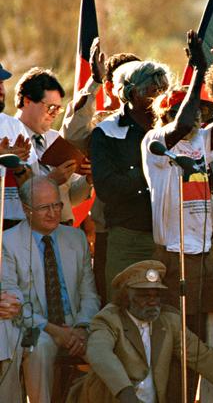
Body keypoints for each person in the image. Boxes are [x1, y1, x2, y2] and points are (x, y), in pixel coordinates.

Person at [142, 29, 213, 401]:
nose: (195, 118)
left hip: (204, 255)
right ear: (167, 114)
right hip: (172, 257)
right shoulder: (156, 142)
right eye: (184, 112)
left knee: (204, 342)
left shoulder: (203, 141)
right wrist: (197, 69)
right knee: (173, 341)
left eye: (199, 112)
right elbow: (181, 121)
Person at [68, 260, 213, 403]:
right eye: (143, 295)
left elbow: (206, 359)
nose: (152, 301)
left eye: (156, 294)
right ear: (125, 297)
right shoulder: (108, 319)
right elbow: (99, 354)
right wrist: (126, 394)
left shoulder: (168, 320)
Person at [2, 176, 100, 402]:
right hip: (34, 324)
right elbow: (14, 305)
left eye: (57, 205)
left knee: (106, 344)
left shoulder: (76, 237)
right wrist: (55, 331)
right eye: (44, 207)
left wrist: (82, 327)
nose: (53, 213)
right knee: (39, 347)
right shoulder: (8, 242)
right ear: (27, 209)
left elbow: (89, 294)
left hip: (75, 323)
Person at [61, 37, 141, 304]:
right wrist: (93, 82)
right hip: (110, 229)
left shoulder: (156, 120)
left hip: (151, 228)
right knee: (113, 301)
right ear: (112, 86)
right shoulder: (103, 125)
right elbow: (71, 135)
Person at [90, 57, 169, 298]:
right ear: (133, 94)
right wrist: (148, 171)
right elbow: (107, 188)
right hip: (128, 238)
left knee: (165, 312)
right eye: (153, 93)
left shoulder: (170, 128)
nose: (159, 99)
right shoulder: (107, 131)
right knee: (121, 307)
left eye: (163, 92)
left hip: (169, 240)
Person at [14, 67, 94, 224]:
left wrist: (88, 180)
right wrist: (50, 181)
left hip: (62, 233)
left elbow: (70, 199)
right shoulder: (6, 139)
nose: (54, 114)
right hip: (24, 234)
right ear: (27, 101)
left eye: (58, 108)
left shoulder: (55, 138)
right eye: (50, 107)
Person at [0, 62, 37, 230]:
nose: (1, 89)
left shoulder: (13, 125)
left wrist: (17, 166)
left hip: (15, 224)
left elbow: (31, 180)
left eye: (1, 83)